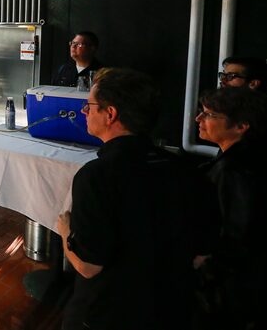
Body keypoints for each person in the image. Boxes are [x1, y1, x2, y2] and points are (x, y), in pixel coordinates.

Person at [57, 68, 211, 330]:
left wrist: (65, 231)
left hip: (109, 313)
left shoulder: (96, 176)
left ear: (110, 114)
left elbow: (88, 266)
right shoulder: (187, 170)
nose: (84, 112)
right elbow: (202, 254)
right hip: (173, 309)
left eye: (89, 106)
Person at [196, 86, 267, 329]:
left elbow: (238, 238)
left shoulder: (234, 171)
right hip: (260, 286)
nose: (199, 118)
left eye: (209, 114)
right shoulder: (261, 159)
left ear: (241, 126)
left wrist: (203, 272)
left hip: (235, 294)